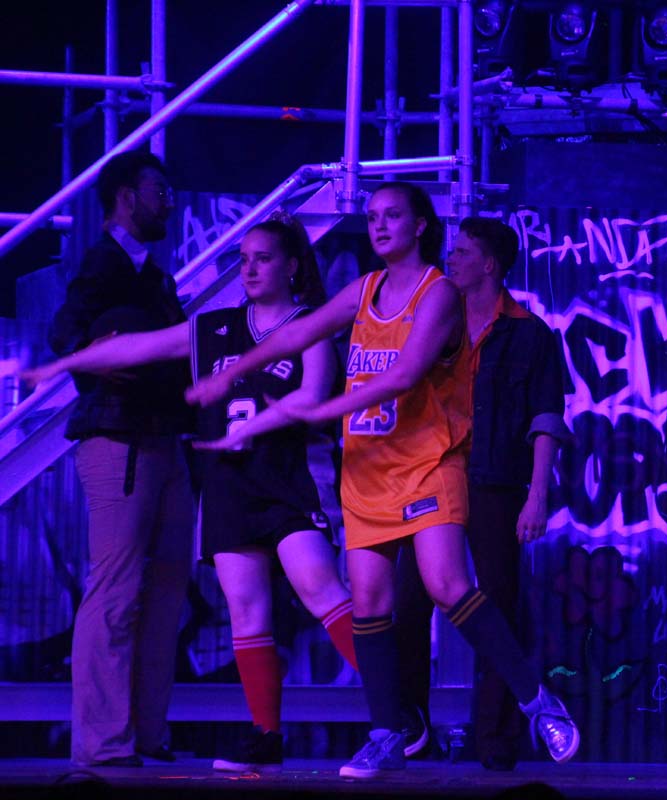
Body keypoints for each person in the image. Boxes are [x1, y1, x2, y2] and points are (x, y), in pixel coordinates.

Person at [185, 182, 580, 779]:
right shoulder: (366, 288)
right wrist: (235, 369)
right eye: (371, 216)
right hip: (368, 467)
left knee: (447, 584)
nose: (378, 225)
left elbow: (404, 375)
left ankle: (536, 699)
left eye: (392, 215)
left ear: (420, 225)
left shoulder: (439, 291)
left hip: (428, 461)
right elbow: (297, 332)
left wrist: (322, 409)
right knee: (369, 600)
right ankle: (387, 732)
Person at [26, 215, 359, 772]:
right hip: (229, 484)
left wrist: (255, 426)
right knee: (245, 610)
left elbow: (312, 395)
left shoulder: (310, 324)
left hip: (291, 479)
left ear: (292, 266)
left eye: (263, 258)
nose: (250, 269)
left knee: (319, 588)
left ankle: (397, 717)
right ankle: (266, 735)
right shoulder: (214, 329)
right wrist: (65, 364)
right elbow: (135, 349)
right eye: (244, 259)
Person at [392, 217, 571, 771]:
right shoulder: (434, 322)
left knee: (496, 605)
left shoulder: (531, 334)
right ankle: (410, 730)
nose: (452, 258)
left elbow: (547, 418)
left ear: (490, 264)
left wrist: (537, 495)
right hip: (431, 476)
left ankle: (495, 742)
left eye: (464, 252)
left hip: (495, 482)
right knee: (409, 601)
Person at [42, 150, 194, 767]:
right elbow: (65, 334)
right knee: (117, 588)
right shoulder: (104, 262)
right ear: (127, 197)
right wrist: (107, 354)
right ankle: (104, 742)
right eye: (160, 190)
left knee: (166, 592)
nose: (169, 202)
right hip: (121, 438)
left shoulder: (153, 276)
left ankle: (146, 733)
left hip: (165, 440)